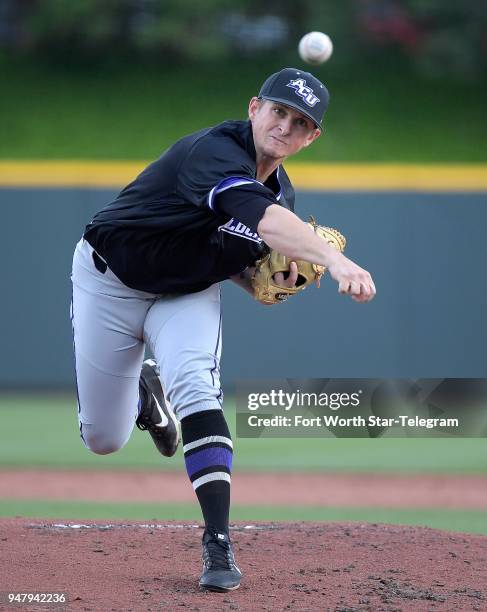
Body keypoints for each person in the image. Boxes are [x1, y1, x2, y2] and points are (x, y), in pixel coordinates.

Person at [70, 67, 376, 593]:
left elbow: (243, 254)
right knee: (103, 438)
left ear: (311, 137)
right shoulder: (214, 152)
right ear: (255, 108)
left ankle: (217, 542)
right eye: (279, 111)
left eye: (300, 122)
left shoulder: (284, 197)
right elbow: (259, 218)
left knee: (196, 383)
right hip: (110, 282)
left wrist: (261, 280)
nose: (285, 126)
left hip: (186, 293)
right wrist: (335, 261)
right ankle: (146, 390)